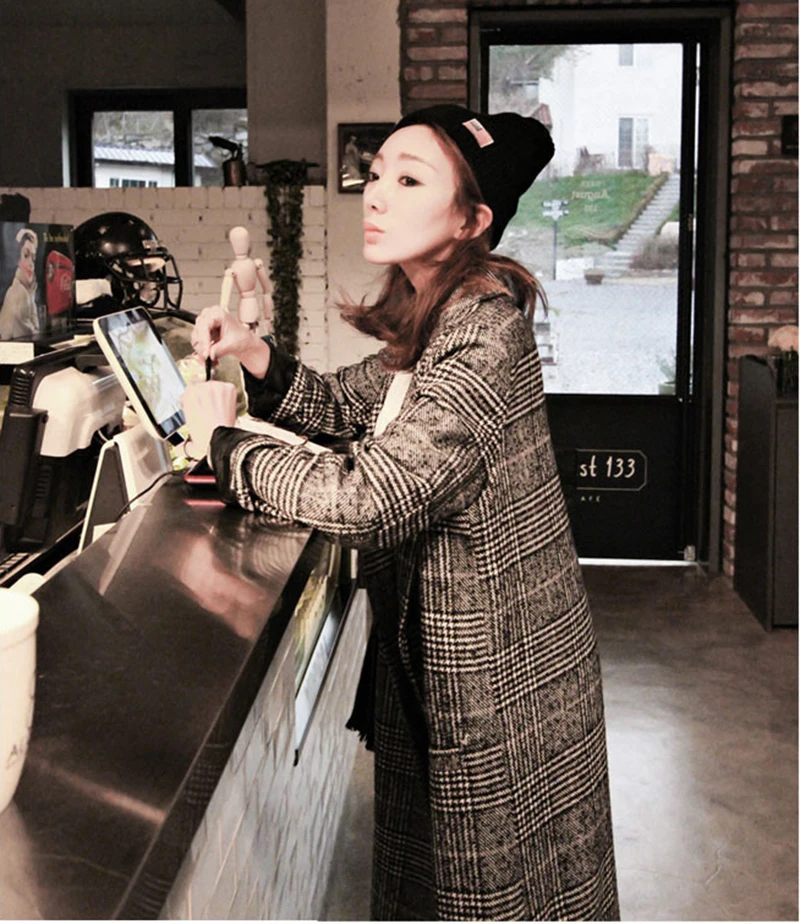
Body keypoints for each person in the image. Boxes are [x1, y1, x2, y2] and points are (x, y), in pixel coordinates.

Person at [184, 104, 620, 922]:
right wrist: (254, 353)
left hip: (501, 681)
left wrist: (225, 446)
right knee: (440, 887)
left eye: (410, 180)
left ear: (472, 220)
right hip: (447, 663)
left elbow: (368, 499)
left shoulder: (485, 332)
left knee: (499, 897)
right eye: (377, 173)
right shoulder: (437, 314)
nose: (377, 194)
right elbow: (345, 403)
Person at [0, 228, 40, 339]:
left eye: (33, 258)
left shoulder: (21, 290)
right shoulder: (19, 294)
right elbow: (35, 335)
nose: (31, 264)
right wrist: (31, 298)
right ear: (18, 259)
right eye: (26, 255)